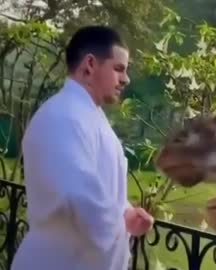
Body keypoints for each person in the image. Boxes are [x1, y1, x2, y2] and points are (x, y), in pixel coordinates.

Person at [11, 25, 154, 270]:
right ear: (90, 64)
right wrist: (118, 225)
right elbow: (77, 195)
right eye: (119, 69)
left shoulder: (87, 116)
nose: (126, 79)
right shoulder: (61, 116)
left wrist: (126, 214)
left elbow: (96, 187)